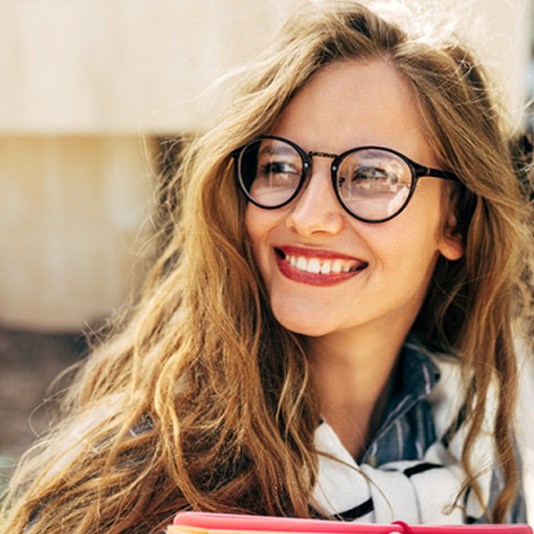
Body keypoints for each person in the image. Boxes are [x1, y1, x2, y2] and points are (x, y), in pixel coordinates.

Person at [2, 1, 532, 532]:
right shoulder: (147, 475)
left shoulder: (485, 445)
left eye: (372, 173)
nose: (307, 217)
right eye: (279, 165)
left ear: (455, 221)